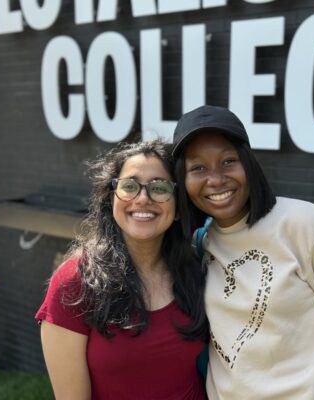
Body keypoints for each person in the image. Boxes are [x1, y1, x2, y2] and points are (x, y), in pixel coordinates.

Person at [172, 105, 314, 400]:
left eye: (228, 161)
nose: (215, 180)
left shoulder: (310, 225)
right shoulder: (200, 244)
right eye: (198, 168)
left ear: (249, 163)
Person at [35, 140, 207, 400]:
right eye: (129, 186)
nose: (143, 198)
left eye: (159, 187)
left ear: (178, 209)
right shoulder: (75, 283)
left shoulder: (195, 269)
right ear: (111, 199)